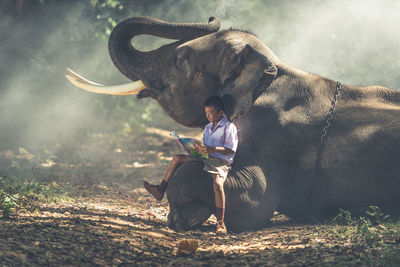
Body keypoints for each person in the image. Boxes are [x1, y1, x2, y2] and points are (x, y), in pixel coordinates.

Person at [143, 95, 238, 234]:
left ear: (221, 113)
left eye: (211, 113)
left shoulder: (229, 127)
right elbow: (205, 147)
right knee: (177, 158)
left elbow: (231, 149)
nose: (208, 116)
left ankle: (221, 223)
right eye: (206, 113)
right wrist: (194, 149)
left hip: (220, 161)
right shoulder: (208, 128)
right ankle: (160, 190)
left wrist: (211, 149)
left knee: (217, 184)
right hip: (206, 158)